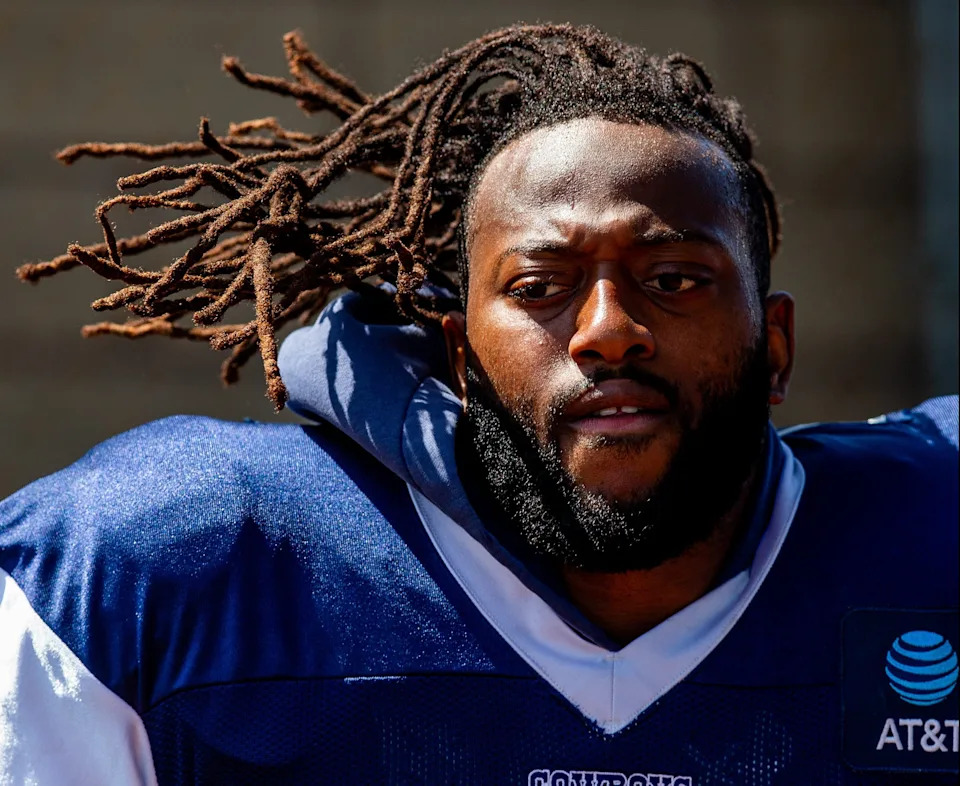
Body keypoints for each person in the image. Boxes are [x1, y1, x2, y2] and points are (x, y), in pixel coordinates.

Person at [1, 23, 956, 786]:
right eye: (541, 286)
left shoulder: (931, 534)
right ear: (457, 353)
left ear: (775, 344)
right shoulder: (157, 567)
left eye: (674, 277)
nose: (608, 330)